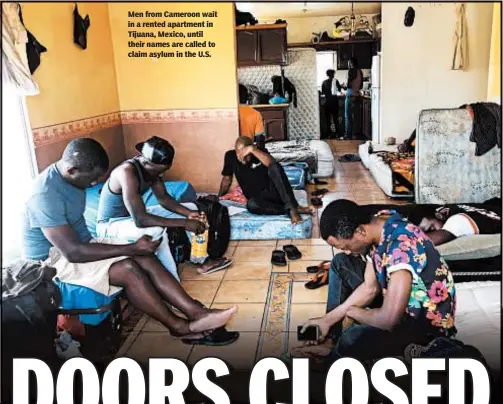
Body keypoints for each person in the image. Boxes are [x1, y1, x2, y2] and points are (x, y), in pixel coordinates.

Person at [23, 138, 237, 342]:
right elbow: (72, 253)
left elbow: (81, 237)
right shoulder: (44, 195)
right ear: (72, 170)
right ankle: (179, 327)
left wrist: (135, 249)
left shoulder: (72, 179)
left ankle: (197, 312)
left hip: (80, 244)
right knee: (128, 267)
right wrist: (132, 247)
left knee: (146, 257)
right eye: (92, 179)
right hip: (49, 263)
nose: (96, 183)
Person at [294, 199, 456, 365]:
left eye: (346, 247)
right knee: (340, 263)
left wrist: (352, 311)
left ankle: (330, 360)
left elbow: (388, 320)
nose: (348, 252)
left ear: (360, 232)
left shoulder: (400, 250)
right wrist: (328, 319)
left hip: (424, 325)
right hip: (397, 297)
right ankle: (330, 339)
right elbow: (369, 288)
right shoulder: (379, 223)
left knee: (353, 336)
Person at [217, 136, 313, 225]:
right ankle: (292, 208)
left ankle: (292, 209)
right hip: (259, 200)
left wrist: (253, 149)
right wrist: (219, 197)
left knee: (274, 167)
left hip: (275, 193)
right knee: (251, 205)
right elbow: (227, 179)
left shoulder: (260, 152)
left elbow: (272, 164)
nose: (242, 158)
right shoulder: (230, 156)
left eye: (246, 155)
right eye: (239, 154)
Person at [419, 203, 501, 246]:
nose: (433, 231)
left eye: (431, 228)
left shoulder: (457, 219)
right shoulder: (452, 209)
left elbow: (438, 237)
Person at [344, 57, 363, 139]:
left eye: (349, 63)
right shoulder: (360, 71)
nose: (348, 65)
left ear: (351, 63)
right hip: (357, 95)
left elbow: (348, 84)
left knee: (348, 117)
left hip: (350, 95)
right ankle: (356, 135)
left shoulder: (351, 71)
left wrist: (344, 86)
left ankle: (348, 135)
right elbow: (361, 85)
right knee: (356, 117)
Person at [321, 69, 342, 138]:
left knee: (328, 120)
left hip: (327, 103)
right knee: (335, 119)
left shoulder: (324, 82)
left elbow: (323, 92)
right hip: (334, 102)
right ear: (333, 74)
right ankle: (337, 133)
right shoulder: (336, 81)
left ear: (327, 75)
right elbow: (339, 90)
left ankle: (329, 134)